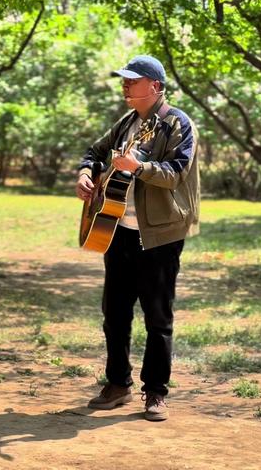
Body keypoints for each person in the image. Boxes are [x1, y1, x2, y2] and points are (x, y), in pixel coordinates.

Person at [75, 55, 200, 421]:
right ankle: (117, 385)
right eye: (124, 79)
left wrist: (140, 167)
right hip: (115, 230)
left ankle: (156, 392)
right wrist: (85, 173)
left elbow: (177, 172)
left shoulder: (179, 123)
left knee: (157, 317)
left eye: (133, 79)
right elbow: (95, 153)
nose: (125, 84)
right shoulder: (128, 122)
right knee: (114, 313)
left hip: (159, 235)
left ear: (155, 86)